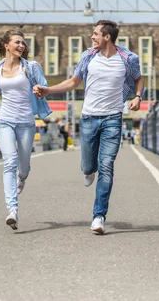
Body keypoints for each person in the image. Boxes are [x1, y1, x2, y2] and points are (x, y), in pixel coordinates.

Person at [34, 20, 143, 235]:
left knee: (107, 166)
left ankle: (98, 216)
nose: (92, 37)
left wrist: (138, 96)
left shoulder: (128, 59)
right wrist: (48, 90)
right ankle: (87, 170)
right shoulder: (88, 56)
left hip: (113, 118)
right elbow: (74, 82)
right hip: (89, 118)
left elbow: (138, 79)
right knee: (87, 166)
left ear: (107, 37)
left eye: (95, 34)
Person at [0, 29, 52, 231]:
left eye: (23, 43)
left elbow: (43, 85)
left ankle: (22, 178)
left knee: (22, 166)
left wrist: (38, 89)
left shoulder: (30, 67)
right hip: (5, 120)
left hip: (26, 122)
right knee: (9, 161)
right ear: (6, 45)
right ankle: (12, 210)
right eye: (17, 42)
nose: (21, 46)